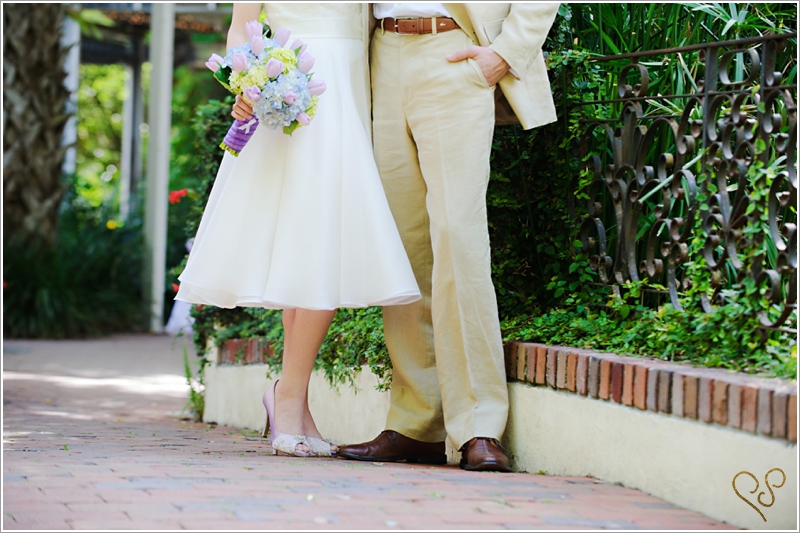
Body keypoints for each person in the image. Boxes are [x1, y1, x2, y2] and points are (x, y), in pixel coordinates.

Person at [175, 3, 421, 457]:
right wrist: (247, 86)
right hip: (296, 94)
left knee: (313, 246)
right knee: (310, 244)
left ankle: (290, 397)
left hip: (352, 88)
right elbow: (237, 31)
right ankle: (289, 399)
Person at [336, 3, 561, 472]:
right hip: (382, 54)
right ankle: (416, 424)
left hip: (453, 52)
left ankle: (479, 425)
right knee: (403, 248)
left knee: (458, 241)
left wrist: (506, 53)